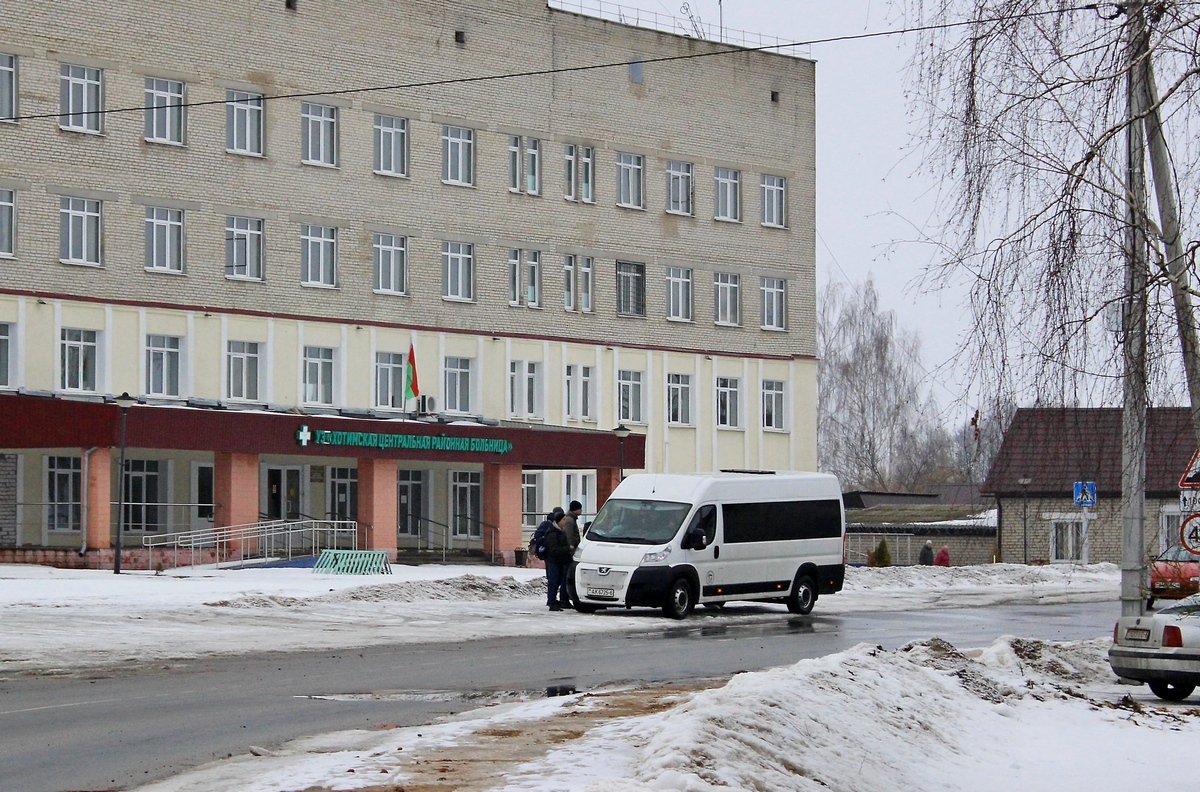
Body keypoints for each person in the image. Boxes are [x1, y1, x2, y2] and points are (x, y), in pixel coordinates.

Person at [543, 509, 574, 610]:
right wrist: (568, 548)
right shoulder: (553, 533)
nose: (566, 521)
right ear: (559, 521)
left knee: (557, 581)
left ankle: (555, 601)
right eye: (564, 519)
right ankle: (552, 602)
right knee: (553, 582)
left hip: (560, 561)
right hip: (554, 561)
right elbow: (553, 550)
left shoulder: (560, 531)